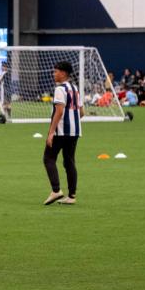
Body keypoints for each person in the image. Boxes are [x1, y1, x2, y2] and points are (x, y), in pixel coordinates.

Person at [43, 60, 83, 206]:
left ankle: (56, 190)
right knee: (69, 161)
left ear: (63, 73)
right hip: (75, 131)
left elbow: (59, 111)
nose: (54, 74)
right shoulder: (75, 88)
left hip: (61, 131)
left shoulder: (60, 89)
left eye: (56, 71)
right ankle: (72, 196)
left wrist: (51, 132)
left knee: (48, 158)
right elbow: (82, 112)